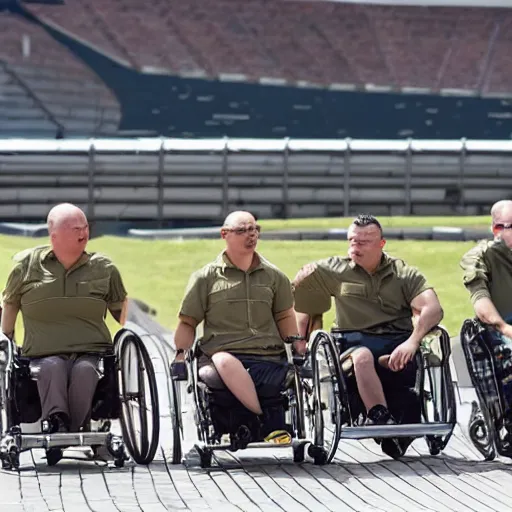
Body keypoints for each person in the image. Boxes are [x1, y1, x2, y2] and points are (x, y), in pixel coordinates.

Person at [293, 214, 443, 458]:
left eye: (364, 242)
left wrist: (412, 342)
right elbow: (303, 300)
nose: (356, 247)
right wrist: (300, 341)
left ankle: (396, 428)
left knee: (387, 363)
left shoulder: (404, 274)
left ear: (381, 244)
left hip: (396, 343)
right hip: (351, 346)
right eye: (352, 240)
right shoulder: (333, 269)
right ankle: (379, 417)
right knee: (363, 357)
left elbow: (433, 309)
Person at [1, 203, 127, 462]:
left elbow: (122, 313)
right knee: (52, 368)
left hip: (90, 351)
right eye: (75, 228)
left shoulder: (104, 268)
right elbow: (10, 305)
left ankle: (67, 431)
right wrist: (7, 337)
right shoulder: (28, 266)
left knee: (84, 371)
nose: (83, 232)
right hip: (43, 353)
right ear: (54, 235)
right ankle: (59, 423)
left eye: (85, 227)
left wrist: (132, 324)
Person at [172, 210, 305, 442]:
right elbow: (188, 321)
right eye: (242, 230)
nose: (250, 235)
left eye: (254, 229)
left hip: (267, 357)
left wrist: (297, 346)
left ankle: (252, 425)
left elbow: (285, 317)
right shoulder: (205, 278)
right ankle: (264, 423)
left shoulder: (275, 277)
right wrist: (181, 354)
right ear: (225, 234)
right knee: (224, 362)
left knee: (277, 377)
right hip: (220, 356)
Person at [460, 200, 512, 337]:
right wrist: (505, 328)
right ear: (497, 229)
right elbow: (480, 298)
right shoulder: (481, 256)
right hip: (500, 336)